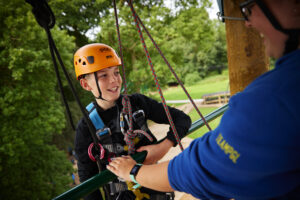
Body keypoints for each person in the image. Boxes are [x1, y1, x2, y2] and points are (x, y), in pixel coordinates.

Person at [107, 0, 300, 199]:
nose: (248, 22)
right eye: (103, 75)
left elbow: (199, 167)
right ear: (86, 85)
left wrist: (139, 166)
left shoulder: (272, 100)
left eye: (250, 7)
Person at [73, 43, 192, 200]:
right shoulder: (86, 128)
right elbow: (88, 181)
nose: (114, 80)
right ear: (85, 84)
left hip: (156, 190)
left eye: (116, 72)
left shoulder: (138, 104)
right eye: (103, 75)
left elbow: (182, 119)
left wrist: (162, 147)